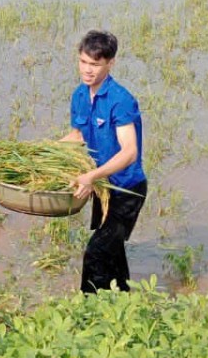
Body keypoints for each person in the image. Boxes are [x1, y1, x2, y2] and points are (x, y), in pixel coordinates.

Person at [63, 30, 147, 293]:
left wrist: (91, 177)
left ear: (110, 63)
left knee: (96, 253)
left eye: (95, 65)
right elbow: (78, 135)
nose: (87, 70)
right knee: (112, 250)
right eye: (83, 62)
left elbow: (129, 152)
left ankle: (87, 313)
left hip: (126, 189)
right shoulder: (79, 95)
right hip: (103, 187)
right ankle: (124, 298)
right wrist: (41, 151)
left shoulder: (120, 100)